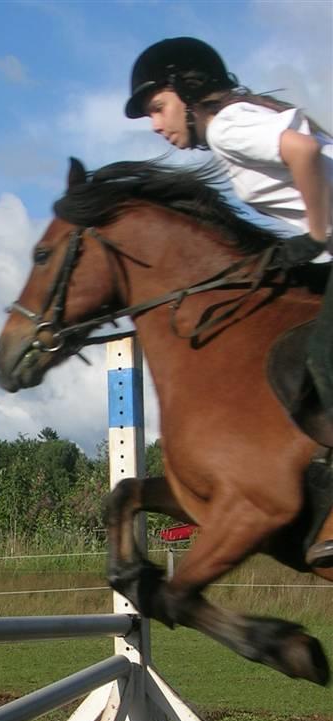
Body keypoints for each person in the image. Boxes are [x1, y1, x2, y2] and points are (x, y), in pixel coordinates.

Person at [125, 36, 333, 568]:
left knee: (322, 362)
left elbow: (303, 152)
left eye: (157, 107)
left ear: (188, 91)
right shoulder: (241, 120)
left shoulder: (227, 126)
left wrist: (314, 232)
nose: (155, 124)